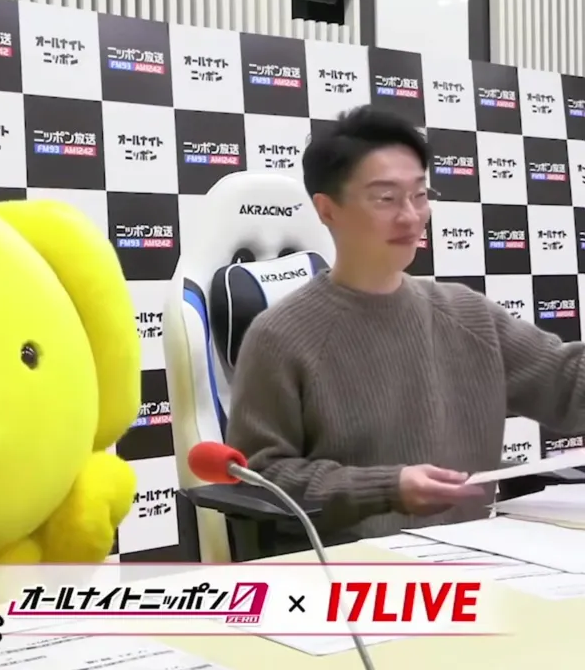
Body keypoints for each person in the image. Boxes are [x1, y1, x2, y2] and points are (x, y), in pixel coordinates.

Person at [226, 104, 585, 539]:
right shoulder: (280, 336)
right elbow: (259, 478)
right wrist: (386, 488)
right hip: (354, 567)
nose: (411, 217)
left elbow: (569, 384)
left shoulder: (468, 315)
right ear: (328, 210)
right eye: (387, 199)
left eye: (419, 195)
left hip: (479, 555)